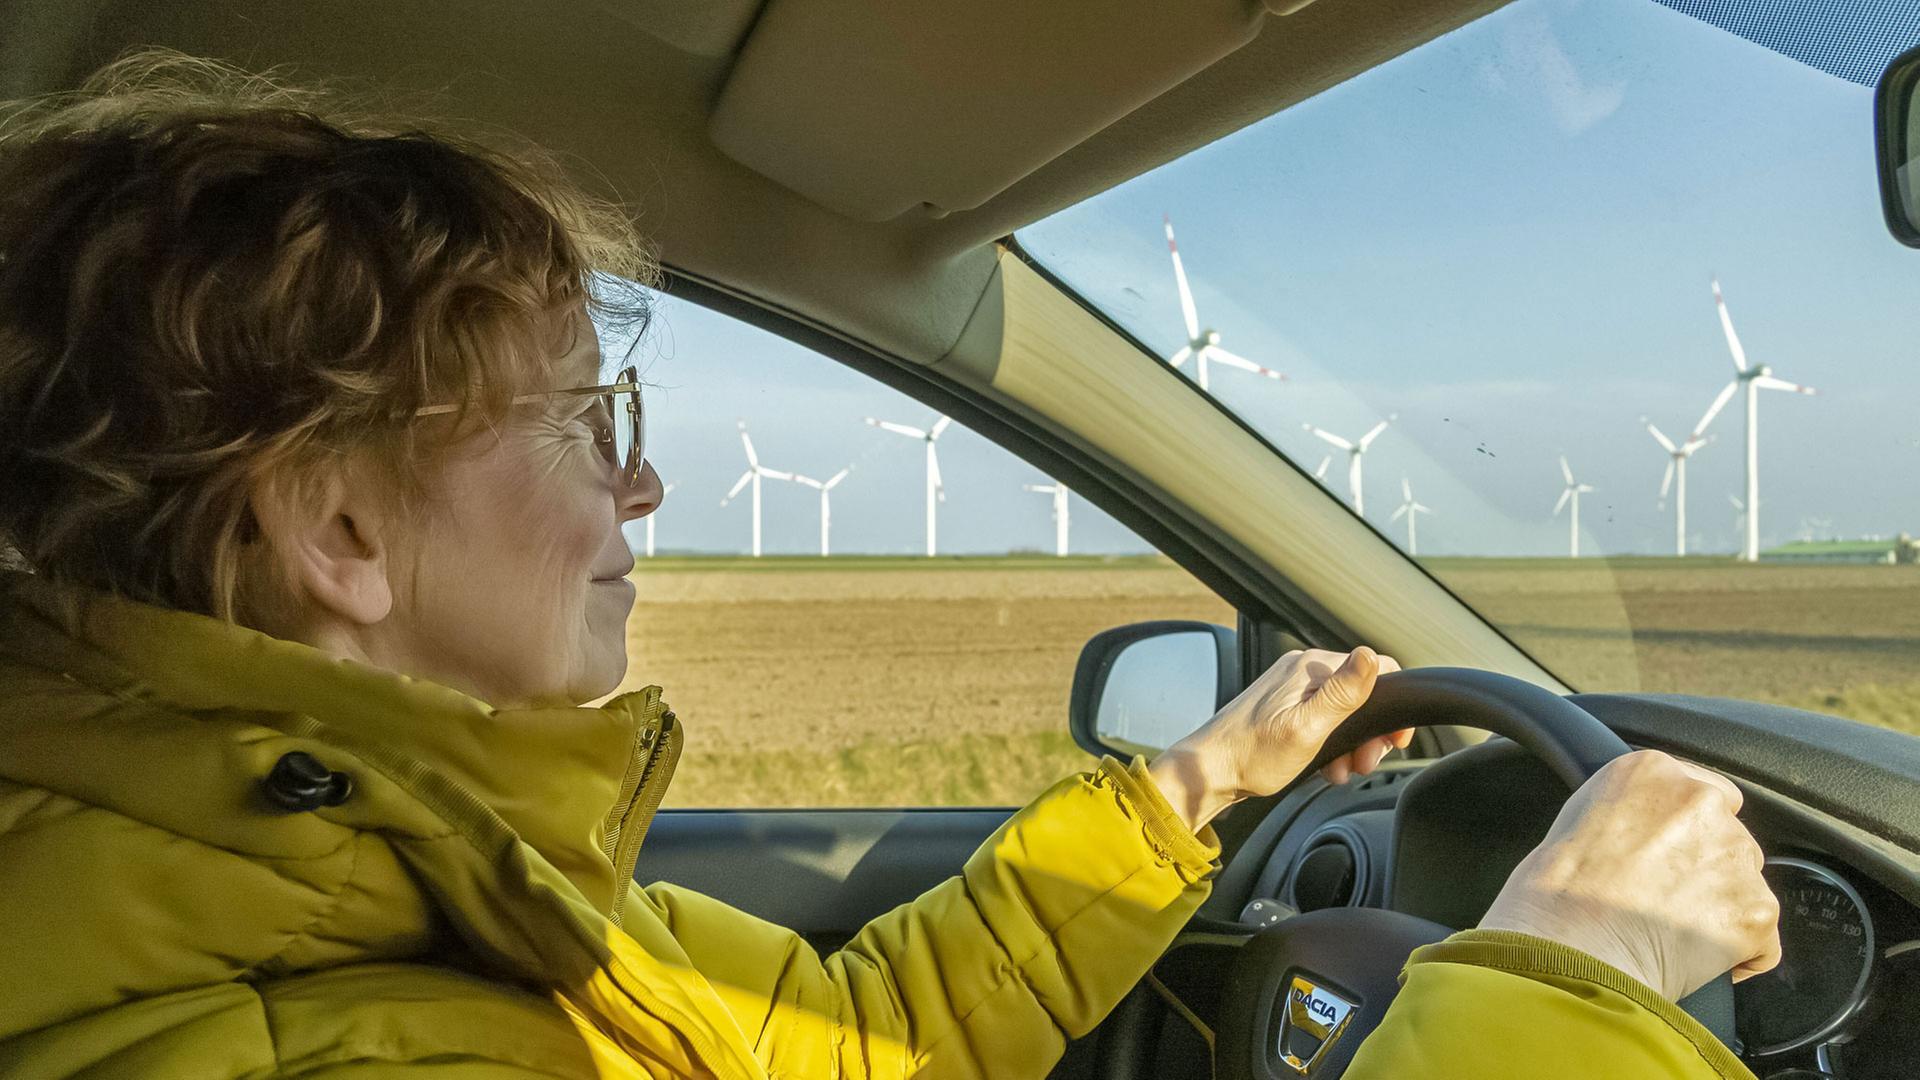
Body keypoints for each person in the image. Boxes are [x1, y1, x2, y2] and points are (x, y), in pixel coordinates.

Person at [0, 52, 1776, 1079]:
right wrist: (1574, 972)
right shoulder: (337, 1027)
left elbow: (850, 1039)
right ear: (338, 531)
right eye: (575, 422)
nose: (641, 483)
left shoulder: (410, 873)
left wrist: (1190, 791)